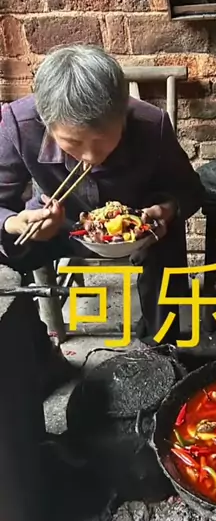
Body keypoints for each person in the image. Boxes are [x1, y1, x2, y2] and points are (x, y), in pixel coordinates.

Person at [0, 43, 204, 361]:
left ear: (123, 115)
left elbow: (189, 189)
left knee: (169, 237)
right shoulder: (19, 124)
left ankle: (161, 348)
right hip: (61, 227)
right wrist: (16, 223)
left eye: (102, 140)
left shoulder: (151, 125)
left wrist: (167, 210)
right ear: (46, 123)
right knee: (7, 251)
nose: (90, 156)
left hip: (133, 230)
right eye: (73, 142)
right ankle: (34, 352)